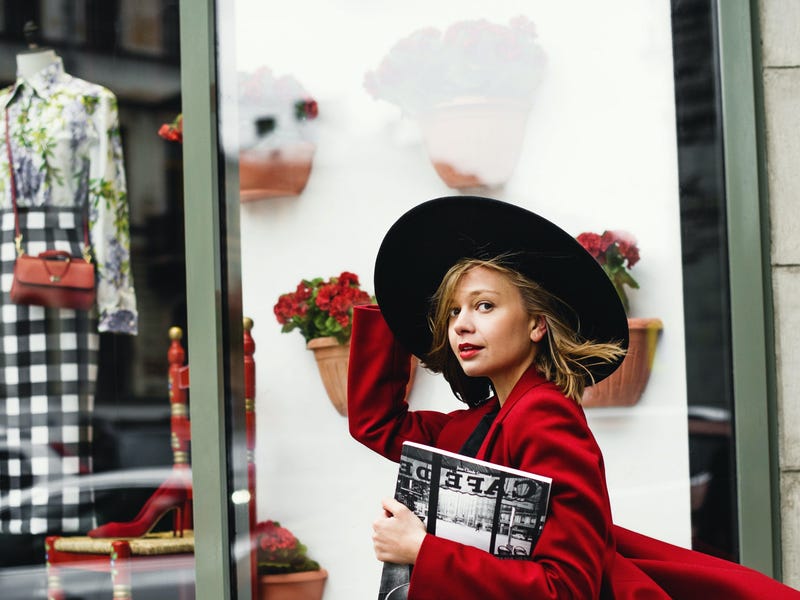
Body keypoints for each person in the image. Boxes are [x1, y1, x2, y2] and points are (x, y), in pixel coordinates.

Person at [347, 196, 800, 599]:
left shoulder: (545, 418)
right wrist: (395, 305)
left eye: (485, 305)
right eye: (454, 311)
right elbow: (376, 423)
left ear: (536, 324)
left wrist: (422, 550)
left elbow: (566, 587)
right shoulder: (475, 424)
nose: (462, 324)